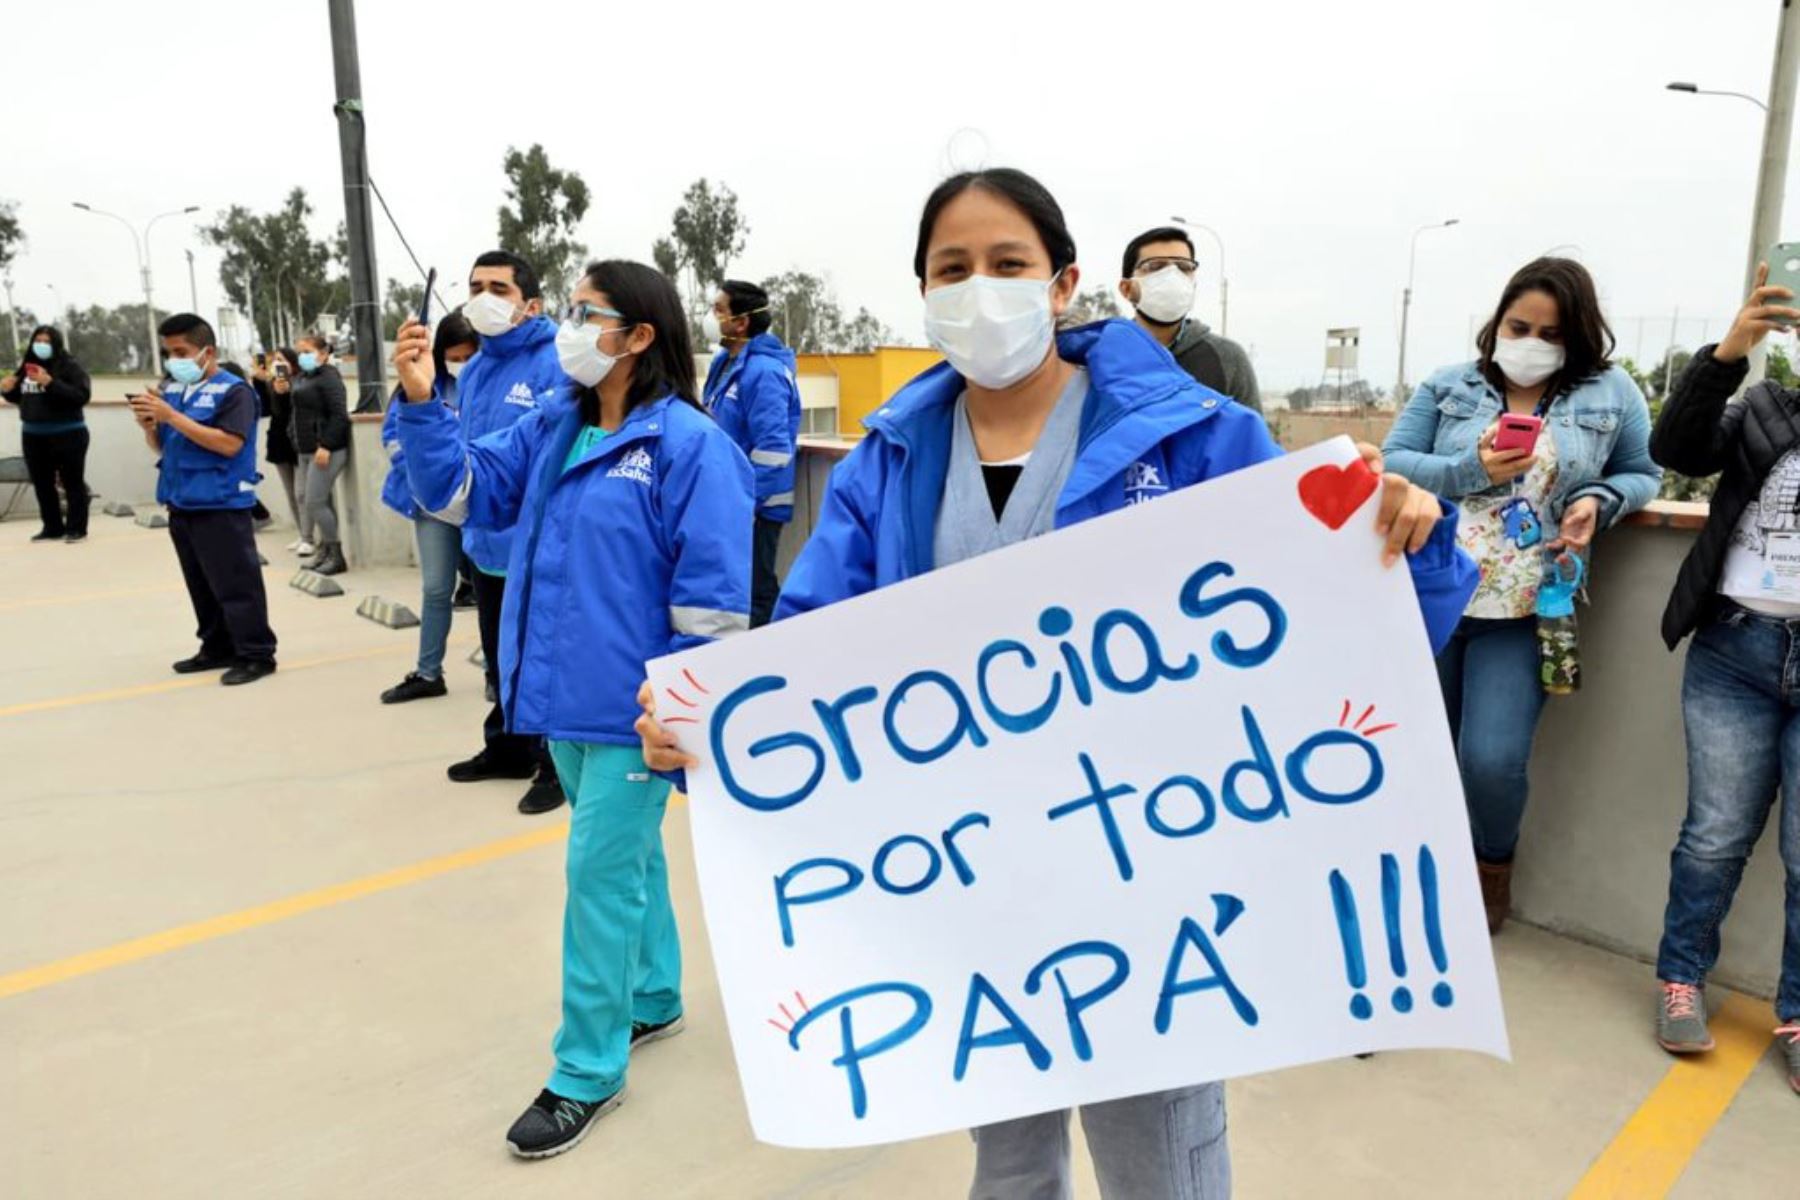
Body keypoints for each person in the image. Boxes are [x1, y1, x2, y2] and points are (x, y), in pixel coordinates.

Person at [637, 167, 1476, 1199]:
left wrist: (1407, 545)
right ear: (924, 294)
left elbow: (1329, 625)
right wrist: (713, 736)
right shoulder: (887, 467)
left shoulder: (1199, 438)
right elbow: (812, 661)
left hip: (1155, 874)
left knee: (1162, 1152)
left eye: (1007, 264)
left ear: (1064, 281)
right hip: (975, 882)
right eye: (953, 270)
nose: (979, 290)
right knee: (1009, 1153)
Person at [392, 259, 752, 1159]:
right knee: (624, 863)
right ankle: (657, 997)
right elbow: (459, 493)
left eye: (589, 313)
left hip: (634, 713)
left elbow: (711, 602)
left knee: (596, 875)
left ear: (638, 336)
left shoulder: (691, 447)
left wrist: (679, 701)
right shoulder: (557, 425)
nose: (571, 325)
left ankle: (586, 1071)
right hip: (555, 694)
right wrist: (425, 403)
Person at [1382, 257, 1659, 933]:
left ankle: (1490, 870)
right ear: (1498, 320)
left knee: (1492, 759)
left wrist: (1598, 499)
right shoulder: (1450, 385)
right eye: (1518, 325)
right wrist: (1468, 467)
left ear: (1579, 336)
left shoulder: (1611, 393)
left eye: (1551, 333)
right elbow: (1393, 462)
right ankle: (1419, 878)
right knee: (1418, 751)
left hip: (1527, 607)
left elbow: (1643, 473)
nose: (1530, 341)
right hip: (1434, 593)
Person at [1647, 263, 1800, 1093]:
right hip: (1735, 648)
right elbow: (1675, 450)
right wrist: (1731, 350)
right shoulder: (1764, 409)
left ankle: (1799, 1011)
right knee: (1713, 839)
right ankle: (1679, 980)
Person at [442, 250, 569, 815]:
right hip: (485, 541)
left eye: (499, 288)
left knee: (542, 655)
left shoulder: (557, 362)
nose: (483, 298)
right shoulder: (475, 370)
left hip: (534, 543)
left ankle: (554, 764)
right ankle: (507, 746)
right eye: (475, 287)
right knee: (500, 657)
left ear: (531, 304)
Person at [126, 314, 277, 686]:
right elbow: (164, 444)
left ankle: (256, 653)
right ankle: (216, 646)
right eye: (168, 352)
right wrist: (150, 426)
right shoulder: (174, 389)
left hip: (220, 500)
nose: (173, 360)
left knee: (235, 583)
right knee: (201, 582)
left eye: (181, 351)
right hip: (181, 499)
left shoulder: (235, 392)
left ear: (207, 352)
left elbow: (229, 444)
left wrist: (171, 416)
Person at [379, 313, 481, 704]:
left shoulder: (487, 383)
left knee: (493, 593)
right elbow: (393, 437)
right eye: (454, 356)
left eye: (469, 355)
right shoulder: (421, 384)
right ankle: (427, 672)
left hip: (482, 503)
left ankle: (499, 673)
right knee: (437, 589)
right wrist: (428, 477)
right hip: (434, 506)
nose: (462, 364)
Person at [702, 280, 802, 626]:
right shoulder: (725, 364)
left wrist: (747, 503)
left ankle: (769, 656)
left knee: (756, 589)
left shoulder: (765, 373)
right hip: (729, 499)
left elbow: (773, 450)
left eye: (718, 310)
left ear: (741, 322)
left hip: (757, 507)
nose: (710, 317)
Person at [1117, 226, 1261, 412]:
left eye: (1184, 268)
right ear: (1127, 289)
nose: (1172, 276)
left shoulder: (1228, 358)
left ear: (1193, 285)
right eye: (1155, 267)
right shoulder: (1104, 358)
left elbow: (1250, 438)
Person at [2, 325, 93, 542]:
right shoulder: (27, 367)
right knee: (42, 484)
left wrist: (50, 383)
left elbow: (80, 396)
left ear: (56, 344)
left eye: (46, 341)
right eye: (38, 340)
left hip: (68, 434)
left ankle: (76, 528)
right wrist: (6, 390)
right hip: (33, 435)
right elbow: (21, 397)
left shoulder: (70, 367)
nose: (41, 345)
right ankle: (52, 527)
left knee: (72, 482)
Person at [290, 334, 350, 575]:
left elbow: (339, 414)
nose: (301, 356)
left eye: (306, 351)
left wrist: (326, 444)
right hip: (305, 448)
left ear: (323, 353)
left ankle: (336, 556)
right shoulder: (303, 377)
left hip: (326, 450)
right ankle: (324, 551)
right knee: (315, 500)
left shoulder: (329, 377)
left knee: (315, 502)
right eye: (299, 352)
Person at [252, 348, 304, 538]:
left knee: (302, 494)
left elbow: (294, 411)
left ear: (292, 363)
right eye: (274, 360)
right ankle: (302, 535)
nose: (277, 364)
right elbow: (265, 410)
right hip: (279, 442)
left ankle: (309, 535)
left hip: (299, 442)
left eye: (281, 360)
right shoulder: (272, 384)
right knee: (291, 494)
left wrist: (285, 392)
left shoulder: (301, 382)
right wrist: (259, 381)